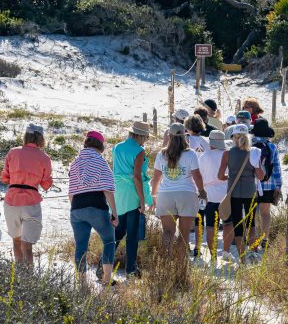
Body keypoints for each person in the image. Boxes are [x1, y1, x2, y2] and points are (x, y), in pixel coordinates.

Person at [68, 131, 118, 287]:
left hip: (76, 207)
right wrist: (115, 214)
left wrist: (76, 209)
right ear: (101, 145)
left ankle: (82, 283)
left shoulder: (75, 162)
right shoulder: (101, 162)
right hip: (96, 205)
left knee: (81, 245)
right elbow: (107, 190)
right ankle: (107, 279)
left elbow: (71, 192)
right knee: (109, 240)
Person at [151, 123, 207, 257]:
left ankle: (166, 260)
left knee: (168, 232)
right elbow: (197, 176)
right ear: (184, 136)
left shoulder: (161, 154)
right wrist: (202, 191)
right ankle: (180, 264)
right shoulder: (190, 154)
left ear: (169, 136)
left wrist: (154, 195)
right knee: (184, 234)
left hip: (165, 195)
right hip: (186, 194)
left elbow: (156, 178)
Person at [2, 123, 53, 266]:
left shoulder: (13, 152)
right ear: (41, 139)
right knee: (27, 246)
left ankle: (19, 277)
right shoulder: (45, 158)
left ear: (26, 136)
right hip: (31, 202)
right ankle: (29, 280)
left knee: (16, 241)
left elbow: (5, 178)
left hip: (11, 201)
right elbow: (46, 184)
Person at [217, 124, 265, 263]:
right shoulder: (254, 153)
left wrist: (231, 176)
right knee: (251, 224)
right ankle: (254, 254)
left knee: (237, 225)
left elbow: (220, 176)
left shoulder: (227, 154)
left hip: (234, 193)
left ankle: (242, 258)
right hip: (250, 192)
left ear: (233, 137)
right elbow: (261, 176)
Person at [112, 121, 152, 278]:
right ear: (141, 136)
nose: (147, 140)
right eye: (147, 137)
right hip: (132, 192)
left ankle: (104, 263)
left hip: (118, 191)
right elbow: (136, 177)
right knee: (133, 234)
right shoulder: (139, 151)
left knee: (118, 231)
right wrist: (142, 200)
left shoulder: (117, 147)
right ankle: (130, 269)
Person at [250, 118, 283, 256]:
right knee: (265, 213)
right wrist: (278, 186)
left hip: (251, 184)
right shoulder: (271, 147)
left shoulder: (249, 145)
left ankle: (253, 242)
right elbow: (276, 168)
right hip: (268, 184)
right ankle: (265, 239)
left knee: (251, 214)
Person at [197, 130, 229, 263]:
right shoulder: (228, 155)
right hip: (226, 194)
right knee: (228, 223)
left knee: (210, 226)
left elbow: (199, 176)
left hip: (209, 195)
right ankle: (226, 252)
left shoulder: (204, 156)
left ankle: (213, 255)